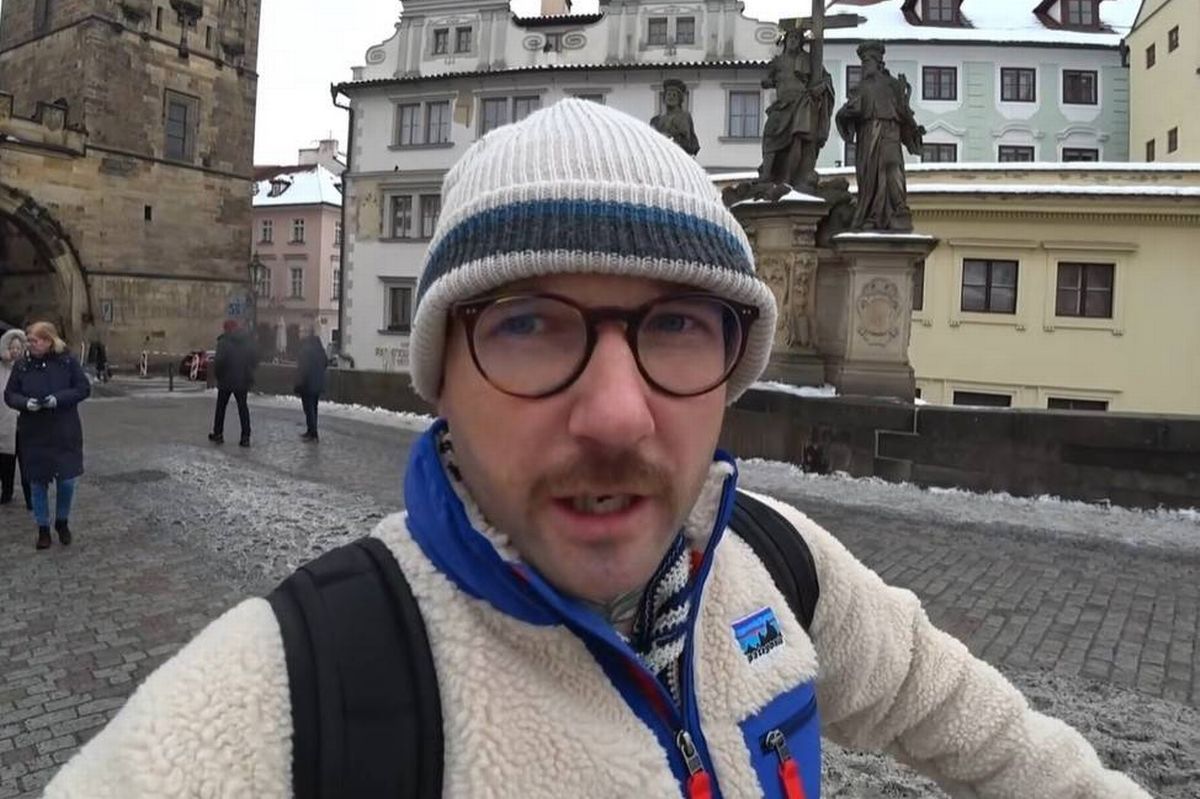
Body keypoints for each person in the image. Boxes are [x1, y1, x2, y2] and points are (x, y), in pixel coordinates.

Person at [45, 100, 1149, 798]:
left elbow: (1004, 744)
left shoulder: (777, 564)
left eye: (676, 324)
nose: (618, 415)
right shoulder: (291, 696)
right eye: (528, 323)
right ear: (439, 378)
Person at [3, 322, 90, 550]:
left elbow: (83, 388)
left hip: (64, 431)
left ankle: (61, 521)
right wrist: (25, 403)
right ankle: (43, 529)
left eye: (34, 340)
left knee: (67, 481)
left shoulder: (67, 361)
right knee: (37, 483)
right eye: (29, 340)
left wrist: (57, 399)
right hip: (34, 432)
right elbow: (10, 394)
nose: (30, 344)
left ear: (49, 341)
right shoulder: (22, 365)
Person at [835, 40, 925, 232]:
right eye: (863, 62)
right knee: (871, 175)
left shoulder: (893, 85)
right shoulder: (860, 88)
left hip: (890, 131)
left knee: (893, 168)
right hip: (868, 134)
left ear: (877, 62)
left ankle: (898, 210)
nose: (864, 66)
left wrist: (914, 131)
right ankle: (872, 215)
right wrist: (844, 115)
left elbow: (903, 113)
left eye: (867, 62)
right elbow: (848, 112)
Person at [760, 28, 835, 192]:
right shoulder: (778, 61)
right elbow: (766, 79)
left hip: (801, 103)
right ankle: (766, 174)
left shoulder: (808, 59)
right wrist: (768, 81)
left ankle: (789, 178)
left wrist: (821, 87)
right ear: (785, 41)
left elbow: (826, 79)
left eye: (796, 38)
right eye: (791, 37)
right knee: (770, 133)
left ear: (801, 42)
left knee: (797, 140)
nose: (793, 40)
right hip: (781, 106)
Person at [209, 319, 256, 447]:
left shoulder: (223, 342)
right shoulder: (246, 341)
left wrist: (219, 376)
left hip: (226, 380)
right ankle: (245, 437)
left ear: (226, 329)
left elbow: (219, 362)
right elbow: (252, 359)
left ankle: (218, 433)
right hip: (242, 380)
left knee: (221, 408)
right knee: (243, 408)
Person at [0, 328, 33, 509]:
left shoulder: (27, 368)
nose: (15, 351)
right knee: (6, 460)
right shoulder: (1, 369)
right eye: (12, 348)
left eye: (18, 348)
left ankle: (30, 497)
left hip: (23, 423)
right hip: (4, 422)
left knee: (26, 461)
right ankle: (6, 492)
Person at [649, 78, 700, 156]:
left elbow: (688, 141)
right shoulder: (655, 120)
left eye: (674, 95)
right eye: (669, 94)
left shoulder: (685, 117)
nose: (671, 97)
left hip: (678, 155)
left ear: (680, 99)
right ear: (664, 98)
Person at [295, 328, 328, 441]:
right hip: (317, 383)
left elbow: (302, 368)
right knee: (314, 408)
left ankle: (312, 433)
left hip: (307, 384)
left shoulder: (305, 349)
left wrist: (300, 382)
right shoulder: (320, 349)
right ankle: (312, 431)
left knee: (308, 409)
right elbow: (325, 363)